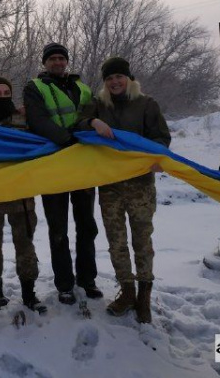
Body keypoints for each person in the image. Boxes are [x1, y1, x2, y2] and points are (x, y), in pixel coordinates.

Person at [78, 57, 171, 323]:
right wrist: (93, 123)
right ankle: (127, 292)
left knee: (142, 241)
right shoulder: (98, 105)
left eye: (119, 77)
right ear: (105, 83)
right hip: (110, 187)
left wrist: (156, 157)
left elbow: (161, 137)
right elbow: (78, 124)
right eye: (109, 79)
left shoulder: (146, 104)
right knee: (116, 242)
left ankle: (144, 297)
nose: (114, 82)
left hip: (140, 185)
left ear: (128, 79)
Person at [22, 42, 101, 305]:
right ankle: (65, 284)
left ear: (66, 61)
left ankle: (87, 279)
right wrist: (67, 141)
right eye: (52, 59)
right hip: (54, 164)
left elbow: (92, 117)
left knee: (86, 226)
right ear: (44, 63)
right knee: (58, 228)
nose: (57, 62)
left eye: (61, 58)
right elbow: (38, 120)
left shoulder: (83, 88)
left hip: (82, 166)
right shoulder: (35, 88)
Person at [0, 77, 45, 313]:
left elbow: (40, 145)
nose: (2, 96)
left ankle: (29, 293)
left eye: (6, 92)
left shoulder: (23, 119)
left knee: (25, 245)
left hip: (20, 195)